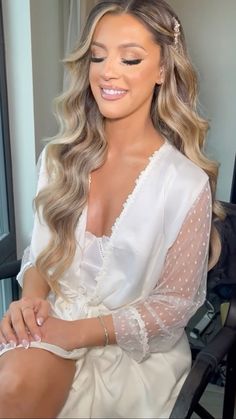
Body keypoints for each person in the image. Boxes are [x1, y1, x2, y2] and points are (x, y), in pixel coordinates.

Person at [0, 0, 224, 417]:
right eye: (97, 56)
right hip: (52, 321)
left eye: (131, 58)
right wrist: (29, 302)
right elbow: (41, 256)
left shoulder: (184, 184)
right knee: (12, 379)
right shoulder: (58, 159)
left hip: (131, 352)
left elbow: (174, 306)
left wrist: (76, 333)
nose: (108, 71)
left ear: (162, 70)